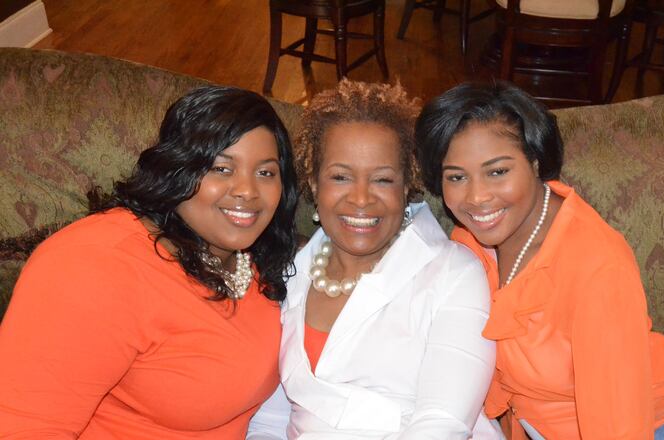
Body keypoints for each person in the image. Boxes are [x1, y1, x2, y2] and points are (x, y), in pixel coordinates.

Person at [414, 81, 664, 440]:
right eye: (457, 177)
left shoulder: (594, 264)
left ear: (535, 163)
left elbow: (617, 426)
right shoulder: (470, 241)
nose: (477, 197)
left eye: (498, 171)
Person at [0, 86, 299, 439]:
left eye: (266, 172)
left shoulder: (254, 255)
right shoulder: (94, 266)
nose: (247, 191)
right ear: (177, 168)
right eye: (221, 168)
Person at [247, 80, 499, 440]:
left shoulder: (453, 272)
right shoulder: (290, 272)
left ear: (405, 186)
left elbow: (443, 425)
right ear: (314, 184)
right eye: (341, 177)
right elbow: (270, 420)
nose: (361, 199)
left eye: (382, 179)